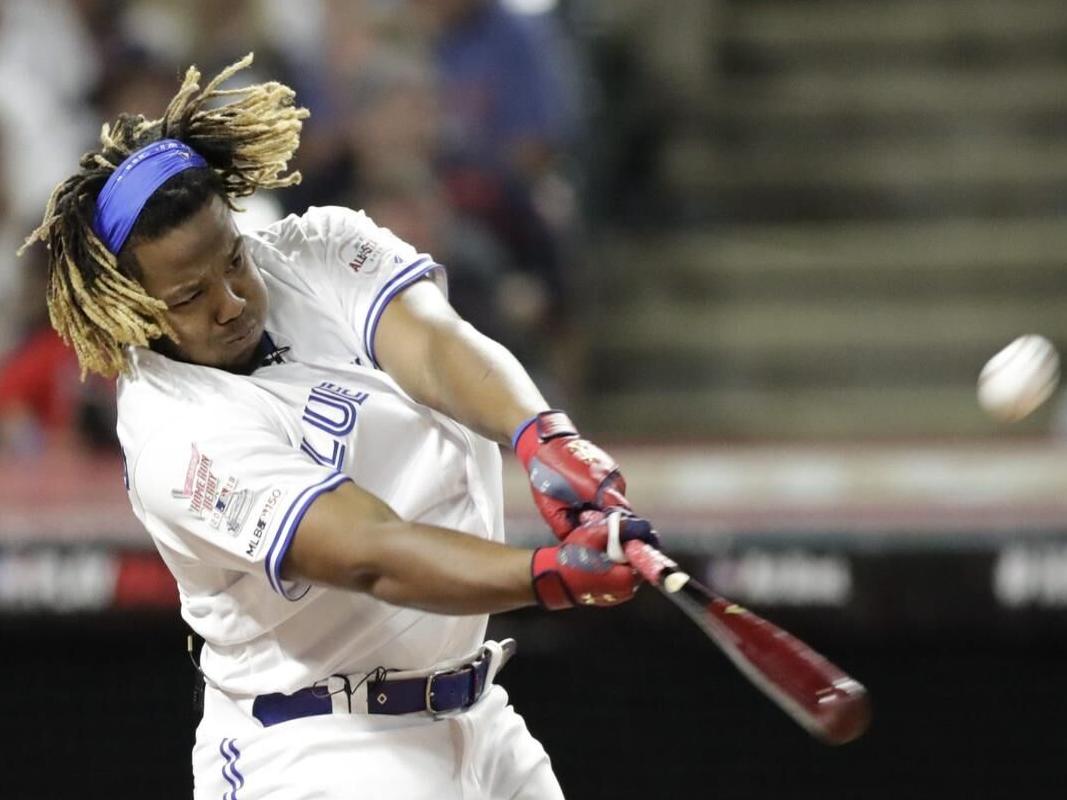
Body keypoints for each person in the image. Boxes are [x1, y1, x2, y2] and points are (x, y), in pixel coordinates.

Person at [20, 54, 657, 800]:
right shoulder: (173, 434)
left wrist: (543, 438)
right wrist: (548, 576)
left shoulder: (314, 247)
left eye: (232, 260)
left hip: (475, 714)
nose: (230, 301)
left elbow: (438, 349)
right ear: (128, 309)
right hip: (321, 747)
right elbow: (373, 554)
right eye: (189, 295)